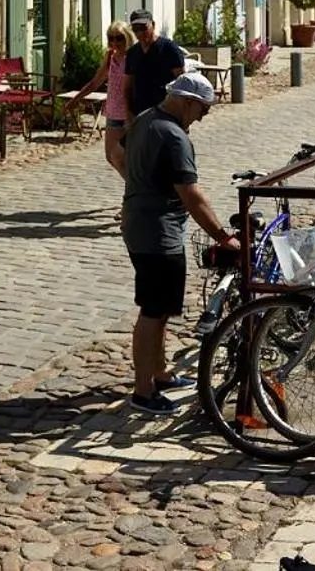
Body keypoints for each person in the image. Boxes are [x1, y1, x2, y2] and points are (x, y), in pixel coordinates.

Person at [121, 71, 240, 415]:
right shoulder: (174, 137)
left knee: (159, 310)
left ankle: (159, 375)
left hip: (140, 224)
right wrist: (222, 236)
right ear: (187, 102)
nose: (201, 118)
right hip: (159, 233)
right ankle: (143, 392)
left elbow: (122, 154)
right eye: (202, 110)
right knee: (152, 310)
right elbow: (192, 195)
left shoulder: (146, 119)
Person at [124, 9, 186, 119]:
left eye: (143, 28)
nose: (140, 33)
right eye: (135, 29)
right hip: (139, 114)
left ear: (153, 25)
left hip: (166, 113)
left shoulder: (168, 49)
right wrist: (128, 114)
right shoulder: (132, 53)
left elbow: (182, 83)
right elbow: (127, 87)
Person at [98, 21, 133, 177]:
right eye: (111, 38)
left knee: (127, 158)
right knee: (111, 157)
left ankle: (136, 192)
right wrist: (76, 99)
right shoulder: (110, 57)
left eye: (119, 38)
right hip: (112, 112)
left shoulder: (134, 58)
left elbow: (132, 89)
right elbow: (96, 81)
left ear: (127, 37)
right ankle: (135, 189)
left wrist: (130, 115)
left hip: (129, 114)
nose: (115, 42)